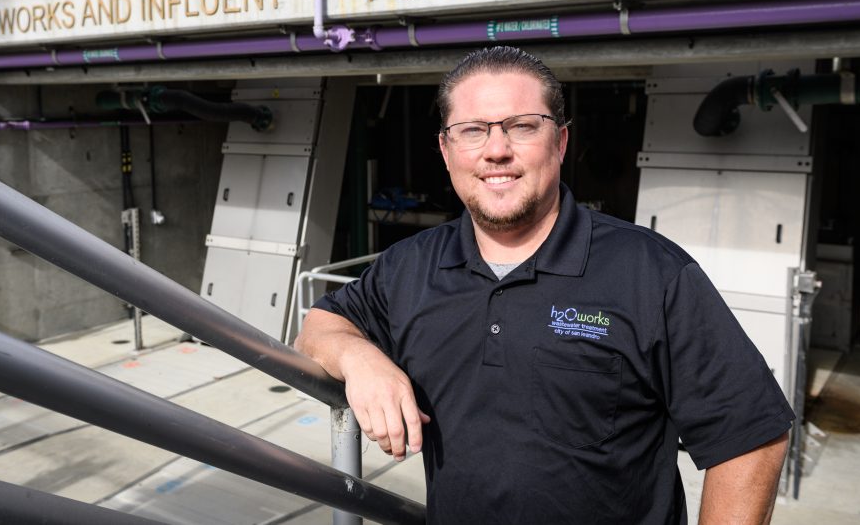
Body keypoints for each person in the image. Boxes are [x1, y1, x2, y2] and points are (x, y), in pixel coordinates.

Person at [296, 46, 793, 524]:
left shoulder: (651, 272)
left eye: (522, 127)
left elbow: (750, 435)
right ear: (447, 151)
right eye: (472, 131)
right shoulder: (411, 265)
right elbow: (320, 324)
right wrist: (360, 359)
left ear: (560, 142)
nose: (496, 150)